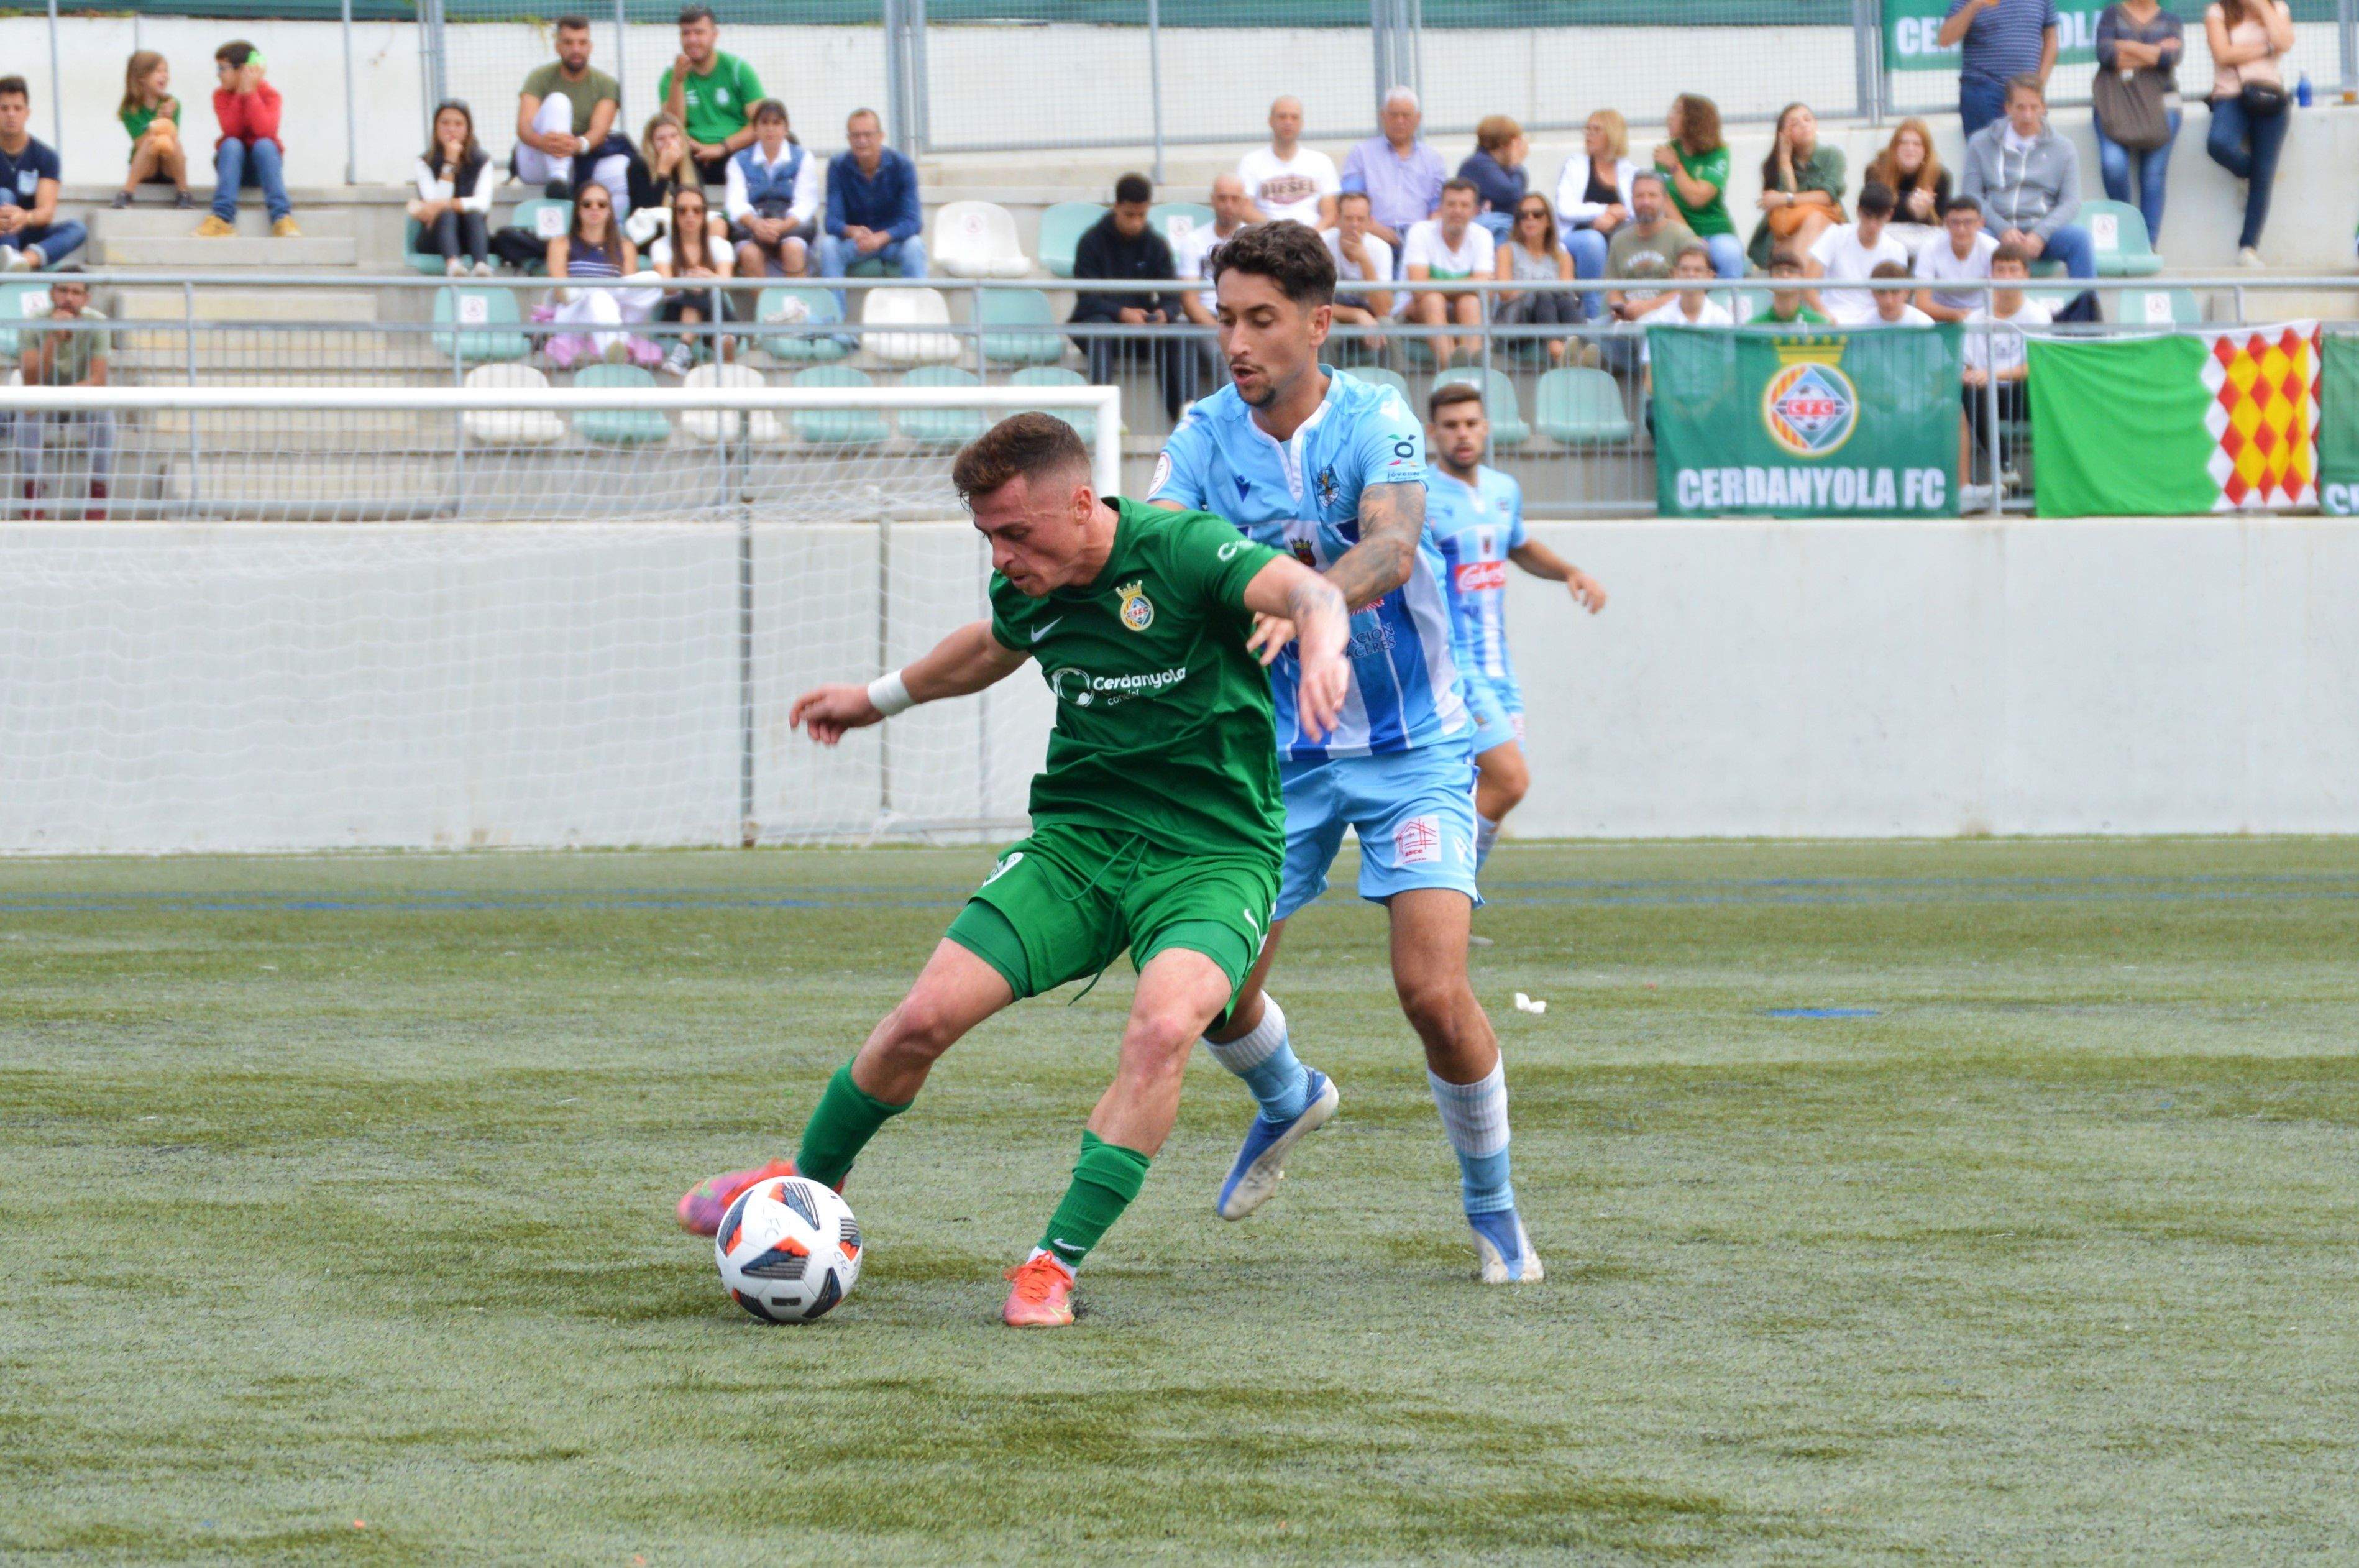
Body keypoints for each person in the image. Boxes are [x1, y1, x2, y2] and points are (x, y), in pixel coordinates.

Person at [676, 413, 1352, 1331]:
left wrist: (1322, 642)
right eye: (986, 535)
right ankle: (799, 1190)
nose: (1000, 556)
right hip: (1076, 844)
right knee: (921, 1018)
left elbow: (1311, 591)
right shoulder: (1032, 586)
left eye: (1014, 532)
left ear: (1081, 504)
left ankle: (1051, 1266)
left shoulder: (1184, 549)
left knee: (1161, 1029)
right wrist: (872, 701)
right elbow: (988, 647)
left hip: (1213, 854)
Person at [1149, 222, 1545, 1286]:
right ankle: (1289, 1095)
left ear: (1319, 324)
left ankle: (1494, 1209)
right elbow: (1155, 541)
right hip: (1278, 754)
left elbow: (1391, 543)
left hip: (1413, 743)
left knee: (1431, 992)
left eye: (1261, 318)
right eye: (1225, 316)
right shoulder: (1200, 437)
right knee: (1214, 996)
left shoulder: (1376, 415)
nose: (1236, 339)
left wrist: (1313, 599)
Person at [1424, 381, 1606, 873]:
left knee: (1493, 795)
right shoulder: (1418, 495)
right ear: (1432, 433)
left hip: (1500, 670)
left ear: (1485, 428)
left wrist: (1570, 571)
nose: (1462, 434)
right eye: (1451, 426)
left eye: (1470, 423)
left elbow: (1519, 546)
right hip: (1453, 665)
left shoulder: (1504, 490)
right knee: (1510, 780)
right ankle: (1438, 888)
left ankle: (1450, 911)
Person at [1069, 173, 1189, 421]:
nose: (1136, 222)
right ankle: (1103, 415)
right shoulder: (1091, 242)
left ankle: (1181, 415)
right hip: (1100, 327)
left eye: (1142, 216)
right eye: (1130, 215)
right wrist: (1121, 313)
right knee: (1100, 327)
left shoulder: (1156, 245)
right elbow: (1088, 299)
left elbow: (1172, 295)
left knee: (1177, 331)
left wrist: (1164, 314)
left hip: (1142, 331)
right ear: (1116, 207)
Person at [1959, 76, 2094, 291]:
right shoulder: (1980, 143)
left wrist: (2041, 234)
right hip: (1995, 231)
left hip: (2042, 232)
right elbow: (1971, 197)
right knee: (1972, 238)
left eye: (2034, 107)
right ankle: (1976, 313)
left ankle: (2087, 314)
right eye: (2020, 108)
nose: (2028, 115)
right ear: (2008, 108)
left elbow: (2072, 202)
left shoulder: (2064, 148)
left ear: (2044, 107)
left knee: (2079, 239)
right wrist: (2002, 229)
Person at [12, 270, 113, 519]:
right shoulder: (33, 321)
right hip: (41, 391)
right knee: (30, 406)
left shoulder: (98, 323)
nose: (68, 298)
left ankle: (98, 488)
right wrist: (52, 338)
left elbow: (98, 381)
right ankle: (32, 487)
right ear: (51, 294)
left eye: (76, 292)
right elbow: (33, 380)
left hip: (77, 390)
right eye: (63, 290)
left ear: (86, 299)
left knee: (105, 411)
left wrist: (63, 395)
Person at [2203, 0, 2295, 266]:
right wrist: (2266, 48)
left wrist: (2263, 9)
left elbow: (2286, 42)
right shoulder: (2218, 12)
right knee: (2218, 144)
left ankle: (2248, 248)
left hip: (2270, 96)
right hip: (2231, 96)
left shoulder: (2277, 8)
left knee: (2264, 175)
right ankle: (2246, 173)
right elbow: (2223, 55)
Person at [1959, 242, 2050, 507]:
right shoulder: (1975, 319)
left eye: (2013, 270)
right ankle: (2005, 466)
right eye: (2001, 270)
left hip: (2024, 392)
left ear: (2026, 275)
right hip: (1989, 393)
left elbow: (2039, 367)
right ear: (1991, 275)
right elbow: (1967, 365)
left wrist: (1992, 373)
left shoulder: (2038, 315)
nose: (2007, 277)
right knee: (1971, 391)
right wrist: (1972, 376)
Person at [2094, 0, 2184, 245]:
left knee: (2153, 175)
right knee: (2113, 166)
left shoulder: (2171, 20)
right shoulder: (2112, 14)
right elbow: (2106, 56)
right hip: (2115, 103)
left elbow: (2171, 58)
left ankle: (2147, 246)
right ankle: (2127, 232)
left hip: (2162, 105)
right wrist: (2154, 52)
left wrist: (2127, 45)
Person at [514, 15, 630, 206]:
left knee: (623, 168)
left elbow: (599, 132)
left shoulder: (606, 84)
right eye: (569, 43)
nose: (576, 50)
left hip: (579, 160)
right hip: (538, 158)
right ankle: (557, 179)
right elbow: (524, 126)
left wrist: (577, 145)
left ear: (590, 47)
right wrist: (544, 143)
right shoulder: (539, 77)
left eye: (582, 43)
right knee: (558, 102)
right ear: (558, 47)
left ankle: (614, 231)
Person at [543, 180, 659, 370]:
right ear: (578, 211)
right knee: (598, 297)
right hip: (574, 311)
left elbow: (628, 292)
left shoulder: (625, 246)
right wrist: (597, 290)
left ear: (609, 211)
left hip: (612, 307)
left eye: (602, 204)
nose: (594, 208)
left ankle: (613, 336)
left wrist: (603, 289)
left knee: (656, 280)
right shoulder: (561, 244)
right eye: (587, 204)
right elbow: (561, 292)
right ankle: (611, 347)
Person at [819, 108, 925, 304]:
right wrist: (852, 232)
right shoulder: (837, 166)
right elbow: (831, 222)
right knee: (828, 247)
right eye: (856, 135)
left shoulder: (903, 166)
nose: (862, 140)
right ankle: (834, 326)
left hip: (891, 241)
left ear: (881, 136)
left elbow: (913, 222)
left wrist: (881, 238)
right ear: (849, 139)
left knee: (915, 246)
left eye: (868, 134)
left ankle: (920, 319)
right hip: (857, 243)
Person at [195, 42, 296, 239]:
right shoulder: (221, 96)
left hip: (262, 167)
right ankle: (222, 218)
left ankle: (282, 217)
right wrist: (240, 96)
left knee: (265, 145)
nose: (218, 74)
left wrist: (251, 94)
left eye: (222, 69)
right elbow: (232, 130)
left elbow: (264, 131)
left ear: (242, 70)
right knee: (232, 144)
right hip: (232, 166)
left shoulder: (270, 95)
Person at [1339, 87, 1447, 264]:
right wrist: (1372, 227)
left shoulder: (1433, 159)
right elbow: (1350, 198)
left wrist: (1422, 236)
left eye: (1406, 116)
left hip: (1418, 240)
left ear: (1418, 119)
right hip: (1370, 235)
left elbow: (1438, 206)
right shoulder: (1362, 154)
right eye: (1394, 115)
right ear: (1383, 116)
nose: (1400, 121)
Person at [659, 4, 762, 187]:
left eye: (699, 33)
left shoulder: (738, 70)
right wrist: (678, 81)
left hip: (735, 151)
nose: (692, 40)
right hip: (693, 153)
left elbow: (761, 123)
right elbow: (673, 124)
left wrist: (722, 148)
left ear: (715, 35)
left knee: (783, 140)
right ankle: (692, 208)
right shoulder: (671, 76)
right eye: (686, 34)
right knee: (672, 151)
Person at [1605, 169, 1697, 364]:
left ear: (1664, 200)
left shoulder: (1682, 237)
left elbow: (1691, 287)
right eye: (1640, 196)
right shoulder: (1620, 240)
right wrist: (1620, 308)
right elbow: (1612, 287)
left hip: (1666, 319)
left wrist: (1648, 307)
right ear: (1632, 199)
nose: (1645, 202)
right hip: (1628, 319)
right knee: (1592, 330)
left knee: (1645, 331)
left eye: (1652, 196)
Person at [1403, 178, 1496, 368]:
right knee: (1433, 300)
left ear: (1475, 211)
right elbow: (1418, 290)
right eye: (1451, 204)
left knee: (1470, 303)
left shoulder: (1483, 236)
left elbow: (1488, 291)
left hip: (1463, 311)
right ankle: (1452, 371)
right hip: (1415, 312)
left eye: (1464, 205)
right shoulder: (1421, 232)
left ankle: (1470, 373)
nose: (1458, 211)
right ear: (1441, 207)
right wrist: (1470, 284)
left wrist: (1437, 286)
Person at [1177, 173, 1255, 397]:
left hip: (1245, 317)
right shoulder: (1193, 241)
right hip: (1207, 319)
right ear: (1212, 200)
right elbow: (1190, 302)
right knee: (1227, 356)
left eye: (1234, 199)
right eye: (1222, 199)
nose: (1228, 206)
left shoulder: (1255, 239)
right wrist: (1222, 330)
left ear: (1244, 202)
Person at [725, 99, 818, 279]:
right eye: (765, 123)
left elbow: (806, 202)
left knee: (793, 248)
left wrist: (784, 226)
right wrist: (755, 224)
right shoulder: (738, 161)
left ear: (786, 128)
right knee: (750, 254)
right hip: (753, 223)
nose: (770, 129)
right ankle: (765, 307)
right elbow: (735, 203)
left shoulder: (803, 158)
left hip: (791, 223)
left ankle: (795, 305)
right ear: (755, 128)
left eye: (776, 123)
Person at [1744, 101, 1843, 272]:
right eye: (1795, 124)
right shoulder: (1773, 166)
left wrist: (1785, 199)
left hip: (1826, 227)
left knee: (1815, 219)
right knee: (1796, 234)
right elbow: (1785, 214)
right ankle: (1798, 283)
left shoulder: (1832, 155)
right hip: (1788, 232)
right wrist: (1785, 162)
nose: (1804, 125)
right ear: (1783, 134)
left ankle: (1798, 285)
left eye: (1808, 119)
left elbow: (1828, 196)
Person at [652, 183, 738, 376]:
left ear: (704, 214)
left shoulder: (720, 245)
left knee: (708, 289)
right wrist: (692, 281)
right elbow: (667, 286)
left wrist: (708, 279)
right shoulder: (662, 245)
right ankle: (723, 347)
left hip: (713, 309)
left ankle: (685, 351)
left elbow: (726, 281)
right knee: (697, 288)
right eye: (683, 211)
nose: (690, 215)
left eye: (697, 211)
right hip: (675, 312)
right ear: (675, 215)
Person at [1652, 94, 1742, 278]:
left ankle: (1728, 305)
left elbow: (1697, 198)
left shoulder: (1718, 153)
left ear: (1694, 120)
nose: (1669, 117)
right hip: (1677, 232)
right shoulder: (1667, 152)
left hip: (1715, 232)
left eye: (1677, 111)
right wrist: (1690, 238)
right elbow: (1665, 202)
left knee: (1729, 254)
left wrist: (1675, 166)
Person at [1557, 109, 1635, 316]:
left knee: (1628, 235)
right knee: (1593, 241)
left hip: (1616, 235)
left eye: (1596, 130)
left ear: (1612, 134)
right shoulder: (1575, 165)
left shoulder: (1628, 170)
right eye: (1587, 129)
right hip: (1578, 236)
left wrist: (1617, 216)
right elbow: (1565, 208)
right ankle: (1594, 319)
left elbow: (1636, 208)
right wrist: (1605, 211)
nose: (1589, 135)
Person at [1941, 0, 2059, 137]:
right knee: (1985, 152)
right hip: (1983, 89)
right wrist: (1974, 5)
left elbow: (2051, 39)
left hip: (2026, 92)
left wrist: (2039, 85)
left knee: (2029, 149)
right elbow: (1945, 39)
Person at [0, 79, 85, 270]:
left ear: (27, 113)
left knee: (77, 229)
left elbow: (46, 212)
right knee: (3, 196)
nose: (11, 114)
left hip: (30, 233)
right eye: (4, 108)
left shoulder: (45, 156)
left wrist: (25, 218)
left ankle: (20, 262)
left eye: (17, 108)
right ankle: (7, 261)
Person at [410, 100, 495, 277]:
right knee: (446, 213)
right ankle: (453, 265)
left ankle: (481, 266)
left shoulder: (482, 161)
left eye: (458, 124)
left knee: (474, 213)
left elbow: (483, 203)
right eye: (445, 123)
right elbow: (435, 202)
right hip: (435, 239)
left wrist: (449, 204)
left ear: (468, 129)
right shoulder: (424, 162)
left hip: (470, 237)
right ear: (435, 128)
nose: (451, 129)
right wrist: (449, 163)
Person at [1807, 181, 1910, 325]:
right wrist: (1825, 316)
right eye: (1868, 216)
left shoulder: (1896, 249)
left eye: (1879, 218)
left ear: (1889, 215)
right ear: (1858, 211)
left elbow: (1898, 296)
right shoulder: (1835, 235)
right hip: (1835, 317)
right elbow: (1808, 285)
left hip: (1877, 320)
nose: (1873, 225)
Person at [1641, 243, 1735, 396]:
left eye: (1698, 270)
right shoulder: (1659, 321)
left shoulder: (1723, 320)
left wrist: (1706, 408)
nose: (1691, 275)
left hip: (1713, 404)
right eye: (1684, 269)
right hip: (1669, 406)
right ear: (1675, 275)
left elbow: (1730, 379)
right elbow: (1651, 382)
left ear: (1710, 277)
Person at [1491, 192, 1575, 365]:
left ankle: (1578, 346)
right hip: (1516, 322)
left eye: (1537, 214)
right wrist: (1539, 290)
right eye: (1524, 215)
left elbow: (1566, 292)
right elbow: (1506, 292)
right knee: (1543, 294)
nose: (1530, 219)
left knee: (1566, 301)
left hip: (1550, 315)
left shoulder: (1563, 257)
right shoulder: (1507, 251)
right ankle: (1557, 348)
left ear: (1548, 221)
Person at [625, 112, 724, 251]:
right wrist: (664, 171)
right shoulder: (639, 166)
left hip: (687, 227)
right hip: (655, 233)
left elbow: (700, 205)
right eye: (661, 139)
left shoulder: (690, 164)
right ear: (651, 143)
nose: (669, 143)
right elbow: (648, 211)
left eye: (674, 136)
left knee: (719, 224)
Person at [1239, 95, 1339, 228]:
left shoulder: (1321, 162)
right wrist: (1278, 232)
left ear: (1302, 123)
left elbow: (1330, 215)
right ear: (1270, 121)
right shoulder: (1251, 163)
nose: (1288, 122)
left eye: (1294, 117)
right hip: (1268, 238)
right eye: (1282, 117)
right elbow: (1245, 209)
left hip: (1312, 239)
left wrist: (1309, 237)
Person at [1321, 191, 1395, 356]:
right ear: (1337, 220)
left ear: (1370, 222)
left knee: (1389, 327)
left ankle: (1394, 381)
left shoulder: (1381, 248)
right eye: (1348, 218)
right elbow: (1314, 303)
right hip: (1333, 314)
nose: (1354, 225)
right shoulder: (1322, 244)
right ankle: (1328, 382)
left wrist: (1364, 260)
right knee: (1326, 330)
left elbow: (1384, 309)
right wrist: (1357, 314)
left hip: (1372, 314)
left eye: (1360, 219)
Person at [114, 51, 190, 209]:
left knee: (173, 142)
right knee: (151, 141)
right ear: (142, 77)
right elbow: (140, 142)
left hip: (169, 165)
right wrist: (158, 120)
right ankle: (127, 193)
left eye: (166, 71)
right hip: (146, 168)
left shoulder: (173, 103)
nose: (165, 76)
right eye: (159, 71)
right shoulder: (130, 110)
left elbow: (172, 137)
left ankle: (184, 192)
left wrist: (168, 119)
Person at [1865, 118, 1953, 255]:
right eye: (1903, 143)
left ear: (1926, 150)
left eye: (1917, 144)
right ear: (1894, 148)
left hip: (1923, 242)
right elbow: (1873, 210)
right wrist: (1909, 204)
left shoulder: (1941, 176)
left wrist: (1923, 213)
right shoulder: (1876, 171)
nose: (1910, 149)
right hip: (1885, 238)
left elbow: (1940, 224)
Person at [1912, 194, 1998, 321]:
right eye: (1955, 223)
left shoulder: (1993, 249)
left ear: (1981, 223)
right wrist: (1955, 315)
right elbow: (1922, 303)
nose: (1961, 229)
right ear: (1946, 223)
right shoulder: (1930, 248)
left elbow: (2000, 298)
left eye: (1968, 222)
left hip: (1982, 318)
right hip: (1939, 317)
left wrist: (1974, 317)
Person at [1457, 115, 1528, 241]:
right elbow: (1511, 193)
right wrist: (1516, 165)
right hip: (1484, 230)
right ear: (1504, 143)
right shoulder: (1478, 164)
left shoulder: (1500, 166)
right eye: (1516, 142)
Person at [1752, 249, 1829, 325]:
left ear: (1802, 280)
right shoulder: (1754, 327)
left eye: (1791, 271)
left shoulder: (1819, 325)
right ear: (1770, 280)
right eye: (1778, 271)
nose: (1785, 275)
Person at [1867, 260, 1936, 324]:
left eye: (1895, 292)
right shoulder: (1861, 327)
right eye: (1882, 292)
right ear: (1873, 293)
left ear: (1907, 293)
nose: (1889, 301)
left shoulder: (1924, 324)